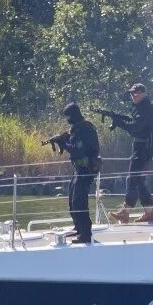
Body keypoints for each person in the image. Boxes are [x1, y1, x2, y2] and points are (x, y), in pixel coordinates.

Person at [104, 82, 153, 223]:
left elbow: (135, 127)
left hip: (143, 149)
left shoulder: (146, 108)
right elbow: (134, 122)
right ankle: (149, 213)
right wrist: (118, 117)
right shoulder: (141, 108)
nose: (133, 96)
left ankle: (125, 211)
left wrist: (119, 122)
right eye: (131, 94)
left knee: (132, 178)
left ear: (143, 94)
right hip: (140, 147)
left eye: (136, 93)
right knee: (139, 181)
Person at [54, 103, 101, 244]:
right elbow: (72, 142)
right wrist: (61, 139)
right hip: (79, 169)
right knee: (72, 199)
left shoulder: (85, 129)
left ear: (73, 115)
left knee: (79, 201)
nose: (67, 120)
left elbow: (76, 150)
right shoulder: (77, 129)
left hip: (86, 169)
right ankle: (78, 228)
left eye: (68, 116)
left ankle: (85, 234)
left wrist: (63, 144)